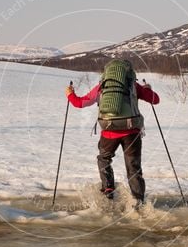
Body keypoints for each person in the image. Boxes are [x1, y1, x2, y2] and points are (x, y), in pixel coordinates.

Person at [66, 59, 160, 205]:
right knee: (133, 167)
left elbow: (79, 103)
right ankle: (138, 201)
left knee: (104, 159)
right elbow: (155, 100)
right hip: (131, 133)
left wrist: (70, 94)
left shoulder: (102, 87)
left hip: (109, 131)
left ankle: (108, 189)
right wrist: (147, 89)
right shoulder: (133, 86)